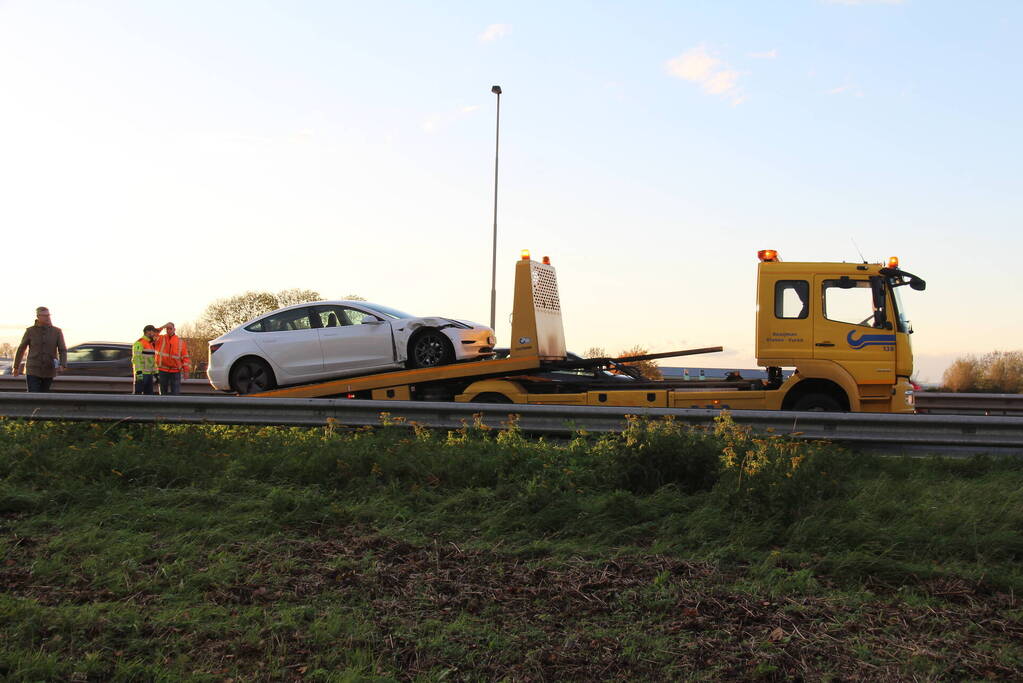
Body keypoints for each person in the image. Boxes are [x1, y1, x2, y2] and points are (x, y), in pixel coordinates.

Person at [13, 306, 67, 392]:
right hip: (32, 369)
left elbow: (62, 349)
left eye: (48, 315)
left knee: (44, 396)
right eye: (44, 315)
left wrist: (63, 364)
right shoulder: (30, 331)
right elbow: (21, 349)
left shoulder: (57, 332)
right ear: (38, 316)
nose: (47, 317)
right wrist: (16, 367)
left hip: (49, 369)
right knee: (33, 395)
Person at [155, 322, 190, 395]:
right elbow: (153, 334)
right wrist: (163, 326)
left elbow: (185, 357)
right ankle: (163, 405)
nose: (169, 330)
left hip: (175, 371)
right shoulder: (161, 338)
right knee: (162, 392)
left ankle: (175, 405)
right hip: (162, 370)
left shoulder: (180, 342)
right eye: (167, 329)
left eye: (170, 328)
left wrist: (186, 371)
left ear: (174, 329)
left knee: (176, 392)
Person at [132, 325, 160, 395]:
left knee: (149, 396)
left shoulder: (151, 344)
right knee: (138, 395)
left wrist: (156, 373)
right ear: (148, 332)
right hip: (142, 374)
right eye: (153, 332)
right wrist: (138, 372)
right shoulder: (139, 342)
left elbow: (153, 360)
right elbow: (136, 358)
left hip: (149, 374)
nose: (153, 334)